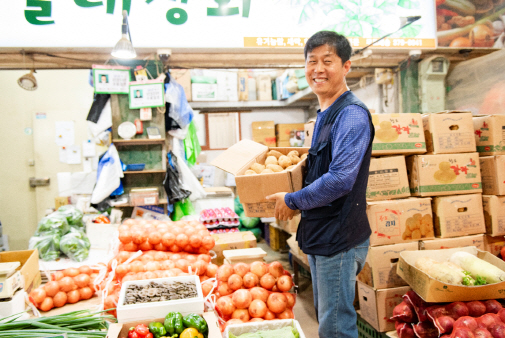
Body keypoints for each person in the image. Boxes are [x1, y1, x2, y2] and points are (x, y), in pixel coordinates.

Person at [266, 31, 375, 338]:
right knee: (329, 319)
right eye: (312, 61)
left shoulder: (351, 115)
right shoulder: (325, 113)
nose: (318, 68)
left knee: (336, 326)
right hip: (323, 234)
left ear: (347, 66)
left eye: (328, 61)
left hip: (338, 239)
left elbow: (341, 179)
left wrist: (292, 199)